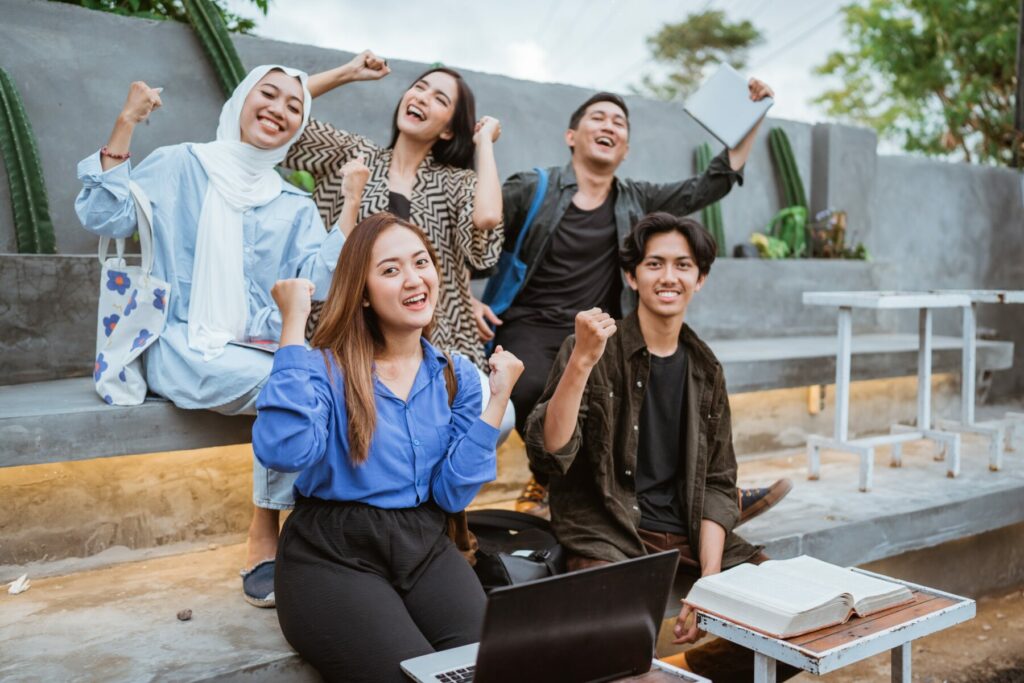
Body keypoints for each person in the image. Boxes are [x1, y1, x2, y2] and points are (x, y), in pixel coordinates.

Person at [74, 66, 345, 606]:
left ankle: (319, 534)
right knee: (293, 380)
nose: (279, 110)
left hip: (260, 349)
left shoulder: (292, 202)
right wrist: (126, 122)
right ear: (242, 100)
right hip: (179, 344)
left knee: (317, 378)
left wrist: (353, 207)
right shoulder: (181, 164)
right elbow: (106, 215)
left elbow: (319, 283)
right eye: (267, 95)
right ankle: (265, 531)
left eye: (295, 106)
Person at [471, 85, 790, 517]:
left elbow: (710, 184)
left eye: (619, 122)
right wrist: (462, 298)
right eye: (598, 118)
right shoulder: (534, 187)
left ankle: (707, 497)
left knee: (659, 387)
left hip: (602, 330)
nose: (609, 125)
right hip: (530, 326)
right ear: (571, 136)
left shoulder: (636, 198)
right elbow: (463, 228)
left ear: (625, 149)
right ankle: (551, 484)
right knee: (532, 385)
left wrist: (752, 114)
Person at [523, 213, 797, 682]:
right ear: (632, 276)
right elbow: (550, 454)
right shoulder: (591, 347)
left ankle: (680, 671)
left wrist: (710, 577)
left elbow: (716, 481)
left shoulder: (706, 368)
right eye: (654, 264)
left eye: (682, 265)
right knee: (619, 658)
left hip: (689, 534)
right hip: (609, 531)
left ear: (700, 278)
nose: (668, 277)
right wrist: (582, 363)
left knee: (796, 621)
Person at [252, 212, 523, 683]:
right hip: (331, 552)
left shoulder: (454, 375)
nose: (414, 279)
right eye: (391, 270)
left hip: (423, 543)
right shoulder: (323, 370)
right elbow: (284, 450)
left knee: (492, 667)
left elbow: (452, 495)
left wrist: (498, 400)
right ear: (362, 293)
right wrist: (293, 324)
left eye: (421, 262)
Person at [286, 50, 503, 370]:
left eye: (440, 99)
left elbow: (485, 219)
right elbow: (279, 115)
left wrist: (483, 141)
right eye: (419, 87)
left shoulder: (455, 183)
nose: (423, 97)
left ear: (447, 130)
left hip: (432, 340)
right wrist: (347, 73)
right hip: (344, 330)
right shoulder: (354, 154)